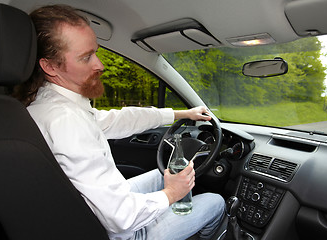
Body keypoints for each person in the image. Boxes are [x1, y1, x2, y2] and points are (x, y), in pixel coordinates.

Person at [14, 4, 225, 240]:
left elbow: (114, 120)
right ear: (50, 66)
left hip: (88, 212)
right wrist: (171, 193)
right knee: (215, 202)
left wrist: (181, 114)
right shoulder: (65, 121)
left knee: (160, 174)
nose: (100, 65)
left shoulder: (47, 103)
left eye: (96, 51)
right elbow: (121, 218)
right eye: (86, 58)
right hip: (118, 232)